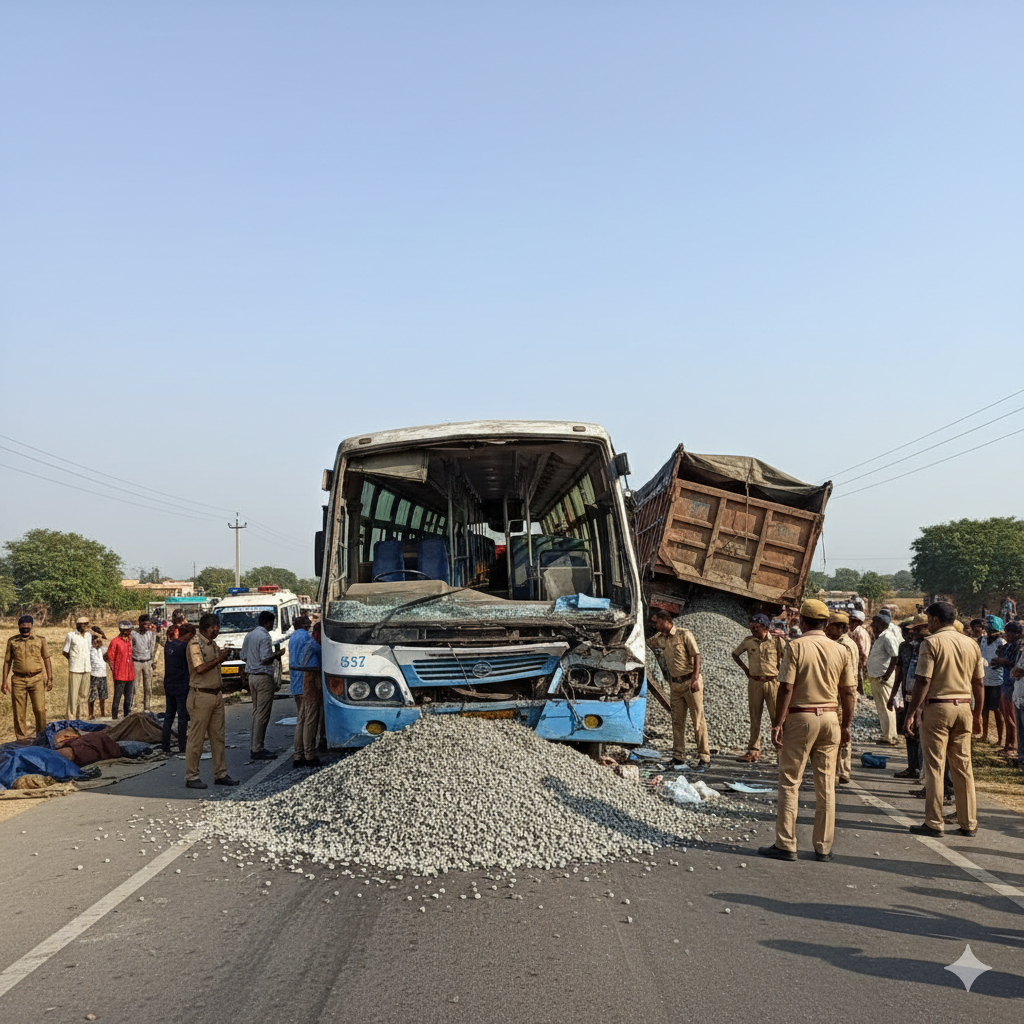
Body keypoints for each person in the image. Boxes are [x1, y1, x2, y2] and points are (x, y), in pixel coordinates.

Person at [758, 599, 856, 862]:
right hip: (830, 718)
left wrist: (777, 723)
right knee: (826, 785)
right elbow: (848, 691)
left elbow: (786, 688)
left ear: (802, 621)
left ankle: (786, 843)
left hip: (801, 717)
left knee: (790, 781)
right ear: (826, 623)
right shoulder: (841, 650)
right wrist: (846, 724)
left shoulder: (796, 646)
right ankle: (823, 846)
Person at [904, 601, 984, 837]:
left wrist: (911, 713)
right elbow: (978, 682)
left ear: (936, 620)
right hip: (963, 707)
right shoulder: (971, 643)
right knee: (963, 766)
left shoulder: (932, 642)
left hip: (939, 708)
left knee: (935, 766)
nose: (927, 624)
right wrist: (977, 713)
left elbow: (923, 680)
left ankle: (934, 821)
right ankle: (968, 822)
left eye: (929, 619)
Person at [647, 608, 710, 771]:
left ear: (665, 620)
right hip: (675, 685)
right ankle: (678, 757)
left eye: (658, 622)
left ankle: (704, 758)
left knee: (698, 720)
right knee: (677, 721)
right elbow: (646, 643)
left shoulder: (684, 634)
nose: (656, 626)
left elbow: (696, 655)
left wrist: (696, 678)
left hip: (691, 681)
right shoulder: (660, 639)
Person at [184, 613, 238, 789]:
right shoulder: (195, 644)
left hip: (215, 695)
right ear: (208, 627)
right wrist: (219, 659)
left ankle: (220, 773)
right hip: (201, 695)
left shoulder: (211, 643)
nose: (216, 632)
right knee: (197, 738)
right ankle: (192, 776)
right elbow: (200, 668)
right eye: (214, 629)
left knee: (218, 737)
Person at [731, 613, 786, 763]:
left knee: (777, 718)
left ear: (766, 628)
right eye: (752, 627)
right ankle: (753, 751)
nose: (753, 630)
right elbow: (735, 654)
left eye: (756, 627)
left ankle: (781, 752)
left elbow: (787, 659)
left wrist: (782, 676)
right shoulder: (748, 641)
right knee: (755, 717)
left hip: (773, 683)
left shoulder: (777, 642)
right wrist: (746, 670)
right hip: (754, 683)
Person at [888, 614, 929, 781]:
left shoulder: (926, 647)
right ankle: (913, 767)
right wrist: (893, 694)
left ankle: (922, 771)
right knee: (909, 730)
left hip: (923, 696)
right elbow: (899, 672)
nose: (908, 633)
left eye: (911, 630)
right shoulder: (904, 647)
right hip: (908, 694)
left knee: (921, 733)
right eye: (905, 630)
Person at [240, 610, 284, 760]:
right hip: (263, 676)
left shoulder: (250, 634)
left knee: (257, 712)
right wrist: (276, 655)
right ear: (269, 622)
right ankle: (257, 748)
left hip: (252, 676)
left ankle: (255, 745)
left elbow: (243, 656)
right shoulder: (265, 636)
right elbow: (265, 658)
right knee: (262, 714)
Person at [2, 615, 53, 739]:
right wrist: (4, 681)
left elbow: (46, 659)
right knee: (19, 713)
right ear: (19, 628)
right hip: (18, 680)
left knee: (40, 710)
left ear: (32, 627)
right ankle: (21, 740)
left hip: (36, 679)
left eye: (27, 628)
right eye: (22, 629)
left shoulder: (40, 640)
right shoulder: (12, 641)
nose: (25, 631)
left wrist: (50, 678)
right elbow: (7, 662)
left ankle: (41, 738)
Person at [825, 611, 860, 784]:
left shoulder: (843, 645)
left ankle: (841, 769)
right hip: (843, 690)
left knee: (842, 730)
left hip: (843, 692)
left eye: (828, 625)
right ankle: (841, 768)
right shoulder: (845, 643)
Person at [865, 610, 901, 744]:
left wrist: (886, 676)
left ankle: (890, 736)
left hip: (883, 676)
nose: (873, 625)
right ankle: (887, 734)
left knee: (886, 707)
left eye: (875, 622)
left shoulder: (887, 637)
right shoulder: (881, 637)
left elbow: (895, 657)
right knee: (882, 707)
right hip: (877, 675)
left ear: (882, 623)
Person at [293, 620, 324, 768]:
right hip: (312, 678)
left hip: (303, 680)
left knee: (302, 719)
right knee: (311, 718)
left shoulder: (303, 642)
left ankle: (298, 754)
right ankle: (309, 754)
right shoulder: (314, 644)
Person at [162, 622, 192, 753]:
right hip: (181, 685)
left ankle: (166, 746)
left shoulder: (168, 646)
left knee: (169, 715)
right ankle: (182, 746)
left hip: (169, 683)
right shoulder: (185, 647)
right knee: (182, 717)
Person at [992, 620, 1021, 757]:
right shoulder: (1008, 645)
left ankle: (1013, 746)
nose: (1007, 634)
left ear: (1016, 633)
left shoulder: (1018, 646)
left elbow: (1011, 661)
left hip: (1011, 684)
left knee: (1010, 716)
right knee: (1005, 714)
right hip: (1005, 681)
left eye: (1009, 632)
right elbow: (1000, 655)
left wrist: (1000, 661)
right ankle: (1007, 744)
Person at [978, 615, 1005, 747]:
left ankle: (1000, 739)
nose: (989, 633)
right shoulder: (982, 640)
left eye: (991, 630)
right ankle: (984, 735)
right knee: (984, 709)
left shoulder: (1001, 643)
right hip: (983, 679)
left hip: (997, 681)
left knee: (997, 710)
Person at [62, 616, 94, 720]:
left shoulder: (89, 636)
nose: (83, 627)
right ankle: (71, 717)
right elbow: (65, 652)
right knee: (73, 694)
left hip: (87, 668)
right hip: (75, 668)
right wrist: (73, 661)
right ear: (77, 625)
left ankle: (83, 717)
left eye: (85, 625)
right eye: (81, 625)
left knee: (84, 694)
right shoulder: (71, 635)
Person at [105, 620, 136, 719]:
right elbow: (111, 658)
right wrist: (114, 672)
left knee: (129, 698)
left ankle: (127, 716)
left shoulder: (131, 641)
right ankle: (114, 717)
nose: (129, 632)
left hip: (130, 674)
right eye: (127, 630)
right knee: (117, 698)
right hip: (120, 674)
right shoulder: (115, 642)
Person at [287, 615, 314, 716]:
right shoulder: (306, 636)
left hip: (294, 680)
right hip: (303, 680)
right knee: (307, 716)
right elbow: (316, 649)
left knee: (300, 714)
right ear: (305, 625)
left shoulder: (293, 637)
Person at [132, 614, 158, 711]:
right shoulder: (133, 634)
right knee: (135, 686)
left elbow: (153, 646)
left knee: (148, 686)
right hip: (136, 662)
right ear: (140, 624)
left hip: (147, 662)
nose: (148, 626)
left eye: (149, 624)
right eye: (145, 624)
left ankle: (147, 708)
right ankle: (134, 707)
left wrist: (152, 661)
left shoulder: (150, 633)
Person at [88, 634, 109, 720]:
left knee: (102, 696)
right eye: (96, 640)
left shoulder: (103, 649)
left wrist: (103, 639)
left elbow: (109, 653)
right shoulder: (89, 649)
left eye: (99, 640)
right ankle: (90, 714)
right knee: (92, 696)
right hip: (93, 675)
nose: (98, 642)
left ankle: (103, 713)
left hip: (103, 675)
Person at [848, 610, 871, 687]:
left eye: (852, 621)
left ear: (858, 622)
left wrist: (861, 665)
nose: (850, 624)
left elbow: (863, 651)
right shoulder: (863, 631)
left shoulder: (857, 632)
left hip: (858, 664)